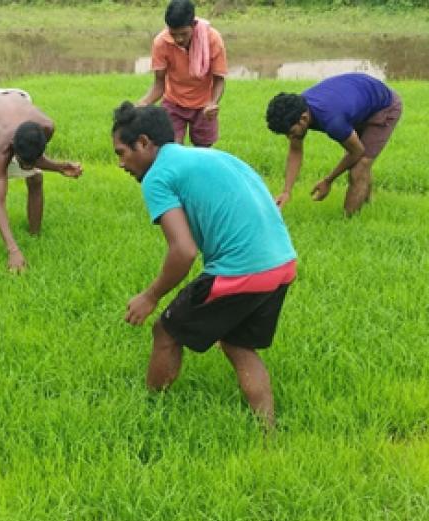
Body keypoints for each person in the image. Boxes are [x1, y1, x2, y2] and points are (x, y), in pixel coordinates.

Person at [112, 101, 297, 427]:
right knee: (238, 343)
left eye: (121, 153)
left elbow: (183, 251)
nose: (121, 164)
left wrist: (150, 296)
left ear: (143, 143)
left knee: (165, 331)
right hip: (282, 264)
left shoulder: (157, 176)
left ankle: (150, 416)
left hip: (241, 271)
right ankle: (268, 434)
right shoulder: (207, 155)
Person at [0, 88, 83, 271]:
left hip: (19, 97)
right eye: (24, 162)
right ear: (14, 149)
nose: (28, 167)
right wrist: (13, 250)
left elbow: (36, 158)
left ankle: (35, 235)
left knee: (36, 179)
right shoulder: (2, 147)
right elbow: (0, 204)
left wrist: (60, 167)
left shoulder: (47, 127)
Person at [264, 72, 403, 216]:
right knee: (359, 162)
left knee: (360, 166)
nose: (290, 137)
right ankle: (367, 202)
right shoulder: (296, 111)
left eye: (291, 132)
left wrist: (328, 180)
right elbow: (295, 151)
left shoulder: (332, 121)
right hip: (359, 100)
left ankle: (349, 223)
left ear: (303, 118)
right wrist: (286, 192)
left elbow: (357, 151)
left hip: (384, 106)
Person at [135, 0, 228, 147]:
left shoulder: (213, 39)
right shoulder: (161, 42)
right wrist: (143, 104)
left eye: (184, 34)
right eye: (174, 34)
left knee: (203, 151)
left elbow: (219, 79)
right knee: (171, 148)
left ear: (193, 25)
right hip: (174, 103)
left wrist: (213, 103)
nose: (179, 39)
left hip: (204, 106)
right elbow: (159, 84)